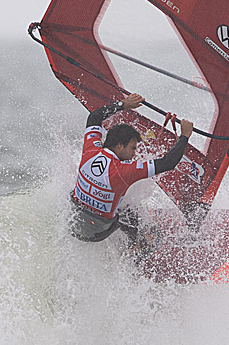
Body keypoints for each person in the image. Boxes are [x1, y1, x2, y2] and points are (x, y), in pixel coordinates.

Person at [70, 92, 193, 243]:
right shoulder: (124, 171)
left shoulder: (90, 149)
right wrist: (185, 136)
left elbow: (94, 117)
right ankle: (136, 250)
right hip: (100, 231)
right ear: (120, 145)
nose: (135, 154)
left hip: (74, 219)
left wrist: (123, 104)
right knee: (150, 232)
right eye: (133, 148)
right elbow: (168, 163)